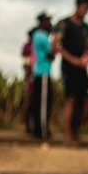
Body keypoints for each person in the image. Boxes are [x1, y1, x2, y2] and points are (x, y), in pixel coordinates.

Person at [53, 0, 88, 146]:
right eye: (84, 8)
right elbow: (56, 45)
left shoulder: (86, 27)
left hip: (82, 68)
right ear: (78, 6)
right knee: (70, 100)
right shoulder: (63, 24)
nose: (86, 11)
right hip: (69, 68)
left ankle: (76, 133)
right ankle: (67, 136)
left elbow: (87, 46)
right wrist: (73, 60)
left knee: (81, 101)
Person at [30, 13, 54, 142]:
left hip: (41, 73)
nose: (51, 24)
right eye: (49, 21)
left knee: (39, 102)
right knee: (44, 104)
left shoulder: (38, 35)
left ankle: (38, 129)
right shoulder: (41, 36)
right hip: (43, 73)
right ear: (42, 22)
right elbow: (51, 54)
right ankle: (42, 131)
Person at [21, 30, 35, 133]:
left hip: (38, 76)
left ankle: (34, 125)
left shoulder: (36, 46)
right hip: (30, 77)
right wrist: (28, 75)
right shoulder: (27, 46)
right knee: (29, 101)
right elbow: (25, 62)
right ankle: (27, 125)